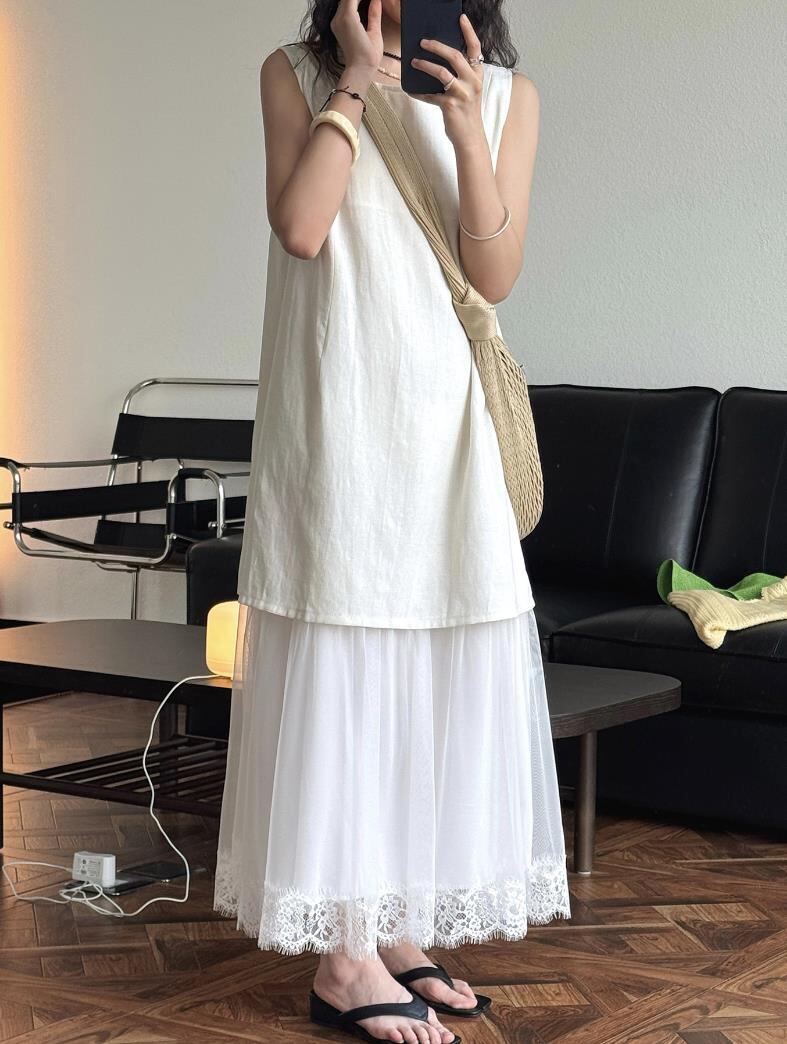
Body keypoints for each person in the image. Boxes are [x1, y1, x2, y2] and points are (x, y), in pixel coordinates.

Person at [213, 1, 572, 1041]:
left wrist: (464, 129)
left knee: (430, 676)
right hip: (336, 427)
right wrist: (354, 81)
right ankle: (343, 956)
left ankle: (397, 929)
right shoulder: (295, 74)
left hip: (445, 434)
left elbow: (493, 276)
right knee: (345, 670)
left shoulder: (506, 98)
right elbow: (301, 228)